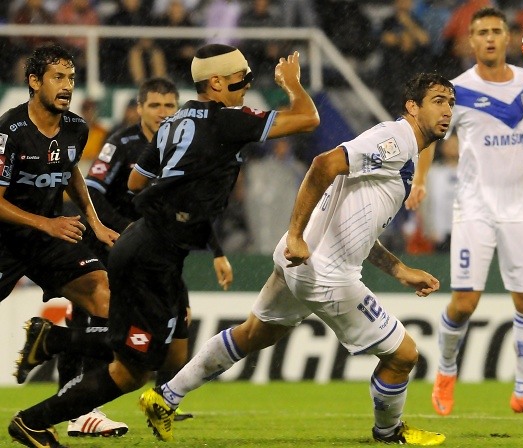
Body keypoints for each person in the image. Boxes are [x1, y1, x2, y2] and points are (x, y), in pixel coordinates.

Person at [8, 43, 319, 448]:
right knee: (132, 368)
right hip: (152, 254)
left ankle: (53, 341)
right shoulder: (227, 121)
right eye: (241, 79)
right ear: (217, 82)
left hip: (153, 247)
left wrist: (181, 189)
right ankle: (33, 416)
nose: (246, 87)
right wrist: (293, 85)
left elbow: (137, 181)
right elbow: (308, 118)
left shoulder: (176, 121)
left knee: (167, 355)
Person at [139, 72, 454, 445]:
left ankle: (165, 397)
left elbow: (355, 226)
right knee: (403, 356)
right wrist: (295, 234)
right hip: (326, 275)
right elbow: (323, 164)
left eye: (451, 102)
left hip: (300, 264)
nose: (447, 110)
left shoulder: (401, 152)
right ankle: (389, 432)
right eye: (438, 100)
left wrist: (399, 269)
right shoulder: (395, 139)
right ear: (412, 107)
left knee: (253, 333)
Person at [406, 7, 523, 418]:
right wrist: (420, 180)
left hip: (521, 206)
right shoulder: (456, 90)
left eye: (496, 31)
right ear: (470, 41)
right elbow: (431, 135)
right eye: (482, 32)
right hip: (474, 206)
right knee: (465, 301)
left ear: (509, 38)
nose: (490, 38)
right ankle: (444, 372)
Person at [0, 44, 123, 445]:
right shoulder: (9, 132)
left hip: (49, 239)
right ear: (34, 82)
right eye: (57, 77)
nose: (67, 85)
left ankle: (74, 405)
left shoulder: (75, 127)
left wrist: (94, 221)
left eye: (70, 78)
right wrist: (47, 223)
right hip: (7, 239)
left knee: (107, 298)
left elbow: (70, 170)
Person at [60, 77, 199, 424]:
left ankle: (162, 401)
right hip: (107, 244)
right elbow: (92, 192)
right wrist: (126, 230)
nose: (162, 113)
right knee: (91, 317)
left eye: (169, 106)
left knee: (173, 318)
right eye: (154, 105)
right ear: (139, 108)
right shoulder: (121, 143)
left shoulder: (182, 146)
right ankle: (78, 403)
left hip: (154, 250)